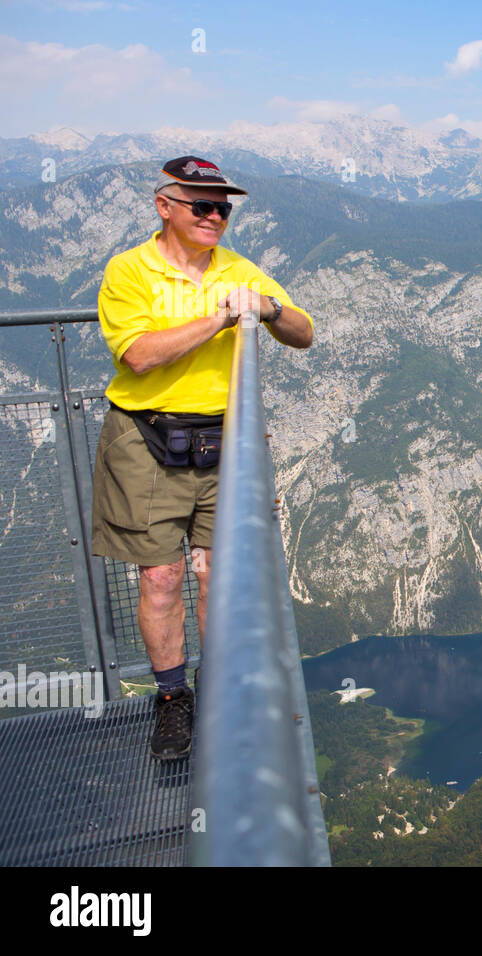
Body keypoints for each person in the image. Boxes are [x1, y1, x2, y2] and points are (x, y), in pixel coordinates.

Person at [92, 155, 314, 760]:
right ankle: (172, 699)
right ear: (166, 207)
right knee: (161, 576)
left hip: (226, 442)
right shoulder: (128, 271)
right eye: (202, 205)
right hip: (146, 439)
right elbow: (137, 355)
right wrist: (219, 317)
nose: (216, 216)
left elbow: (304, 332)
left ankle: (215, 689)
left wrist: (267, 310)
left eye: (224, 208)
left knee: (217, 574)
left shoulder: (241, 271)